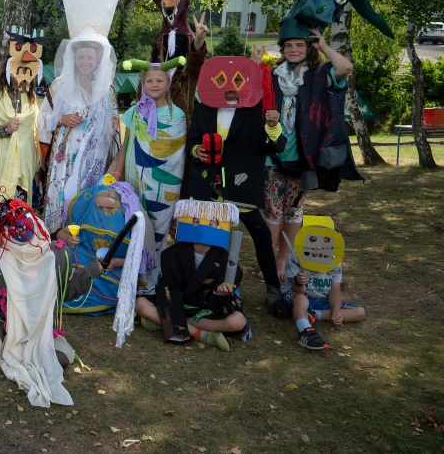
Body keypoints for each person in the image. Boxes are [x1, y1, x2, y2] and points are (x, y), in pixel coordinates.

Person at [0, 196, 141, 388]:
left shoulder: (57, 255)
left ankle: (16, 347)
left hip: (41, 325)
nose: (26, 245)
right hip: (4, 321)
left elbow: (66, 291)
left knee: (64, 356)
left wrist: (94, 270)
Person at [186, 55, 289, 317]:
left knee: (262, 236)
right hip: (208, 188)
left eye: (238, 80)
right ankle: (203, 287)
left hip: (241, 188)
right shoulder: (203, 109)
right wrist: (197, 150)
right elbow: (192, 141)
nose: (230, 85)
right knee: (206, 239)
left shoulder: (256, 110)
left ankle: (273, 291)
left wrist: (273, 126)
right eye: (222, 79)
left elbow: (275, 146)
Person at [40, 0, 131, 232]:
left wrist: (112, 131)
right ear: (73, 58)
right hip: (67, 153)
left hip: (96, 154)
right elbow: (42, 119)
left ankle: (86, 239)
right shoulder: (60, 85)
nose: (85, 62)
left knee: (88, 196)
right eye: (81, 57)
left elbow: (114, 123)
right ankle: (59, 238)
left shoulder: (106, 89)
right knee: (66, 195)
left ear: (99, 60)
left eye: (91, 57)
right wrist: (61, 119)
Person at [266, 29, 356, 280]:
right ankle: (267, 260)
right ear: (282, 49)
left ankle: (283, 260)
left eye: (299, 45)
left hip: (305, 155)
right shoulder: (273, 76)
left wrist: (324, 46)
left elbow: (345, 67)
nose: (293, 49)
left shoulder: (320, 75)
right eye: (288, 45)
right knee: (271, 210)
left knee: (293, 210)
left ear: (309, 48)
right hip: (273, 154)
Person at [109, 58, 187, 294]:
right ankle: (133, 279)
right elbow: (126, 146)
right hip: (136, 180)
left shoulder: (177, 115)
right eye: (149, 81)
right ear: (142, 84)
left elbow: (177, 153)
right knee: (137, 226)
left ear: (168, 83)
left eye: (159, 80)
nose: (154, 84)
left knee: (159, 229)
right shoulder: (134, 112)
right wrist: (117, 172)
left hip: (165, 185)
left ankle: (150, 283)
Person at [135, 200, 249, 351]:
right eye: (196, 221)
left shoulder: (226, 261)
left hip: (208, 307)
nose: (203, 227)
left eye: (211, 223)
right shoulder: (171, 254)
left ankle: (166, 321)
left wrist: (219, 292)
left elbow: (223, 300)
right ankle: (201, 334)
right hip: (178, 304)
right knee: (141, 304)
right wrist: (171, 308)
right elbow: (167, 287)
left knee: (238, 321)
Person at [0, 26, 43, 222]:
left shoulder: (30, 96)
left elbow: (34, 132)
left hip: (23, 163)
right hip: (1, 161)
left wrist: (36, 169)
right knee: (1, 211)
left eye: (26, 68)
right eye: (17, 66)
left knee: (20, 214)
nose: (20, 72)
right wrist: (5, 129)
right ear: (8, 67)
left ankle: (17, 241)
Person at [55, 179, 146, 323]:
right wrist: (68, 238)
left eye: (109, 208)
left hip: (112, 269)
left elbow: (137, 258)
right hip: (85, 258)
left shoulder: (125, 223)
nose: (103, 211)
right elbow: (61, 233)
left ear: (117, 207)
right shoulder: (87, 216)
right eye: (100, 207)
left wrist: (115, 262)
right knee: (62, 254)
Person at [281, 216, 366, 350]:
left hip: (321, 301)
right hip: (296, 295)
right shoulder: (295, 258)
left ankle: (314, 315)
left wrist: (336, 311)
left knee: (359, 312)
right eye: (313, 240)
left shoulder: (334, 262)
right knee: (301, 299)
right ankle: (305, 330)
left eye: (325, 240)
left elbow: (335, 291)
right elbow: (298, 291)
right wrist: (299, 282)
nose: (319, 246)